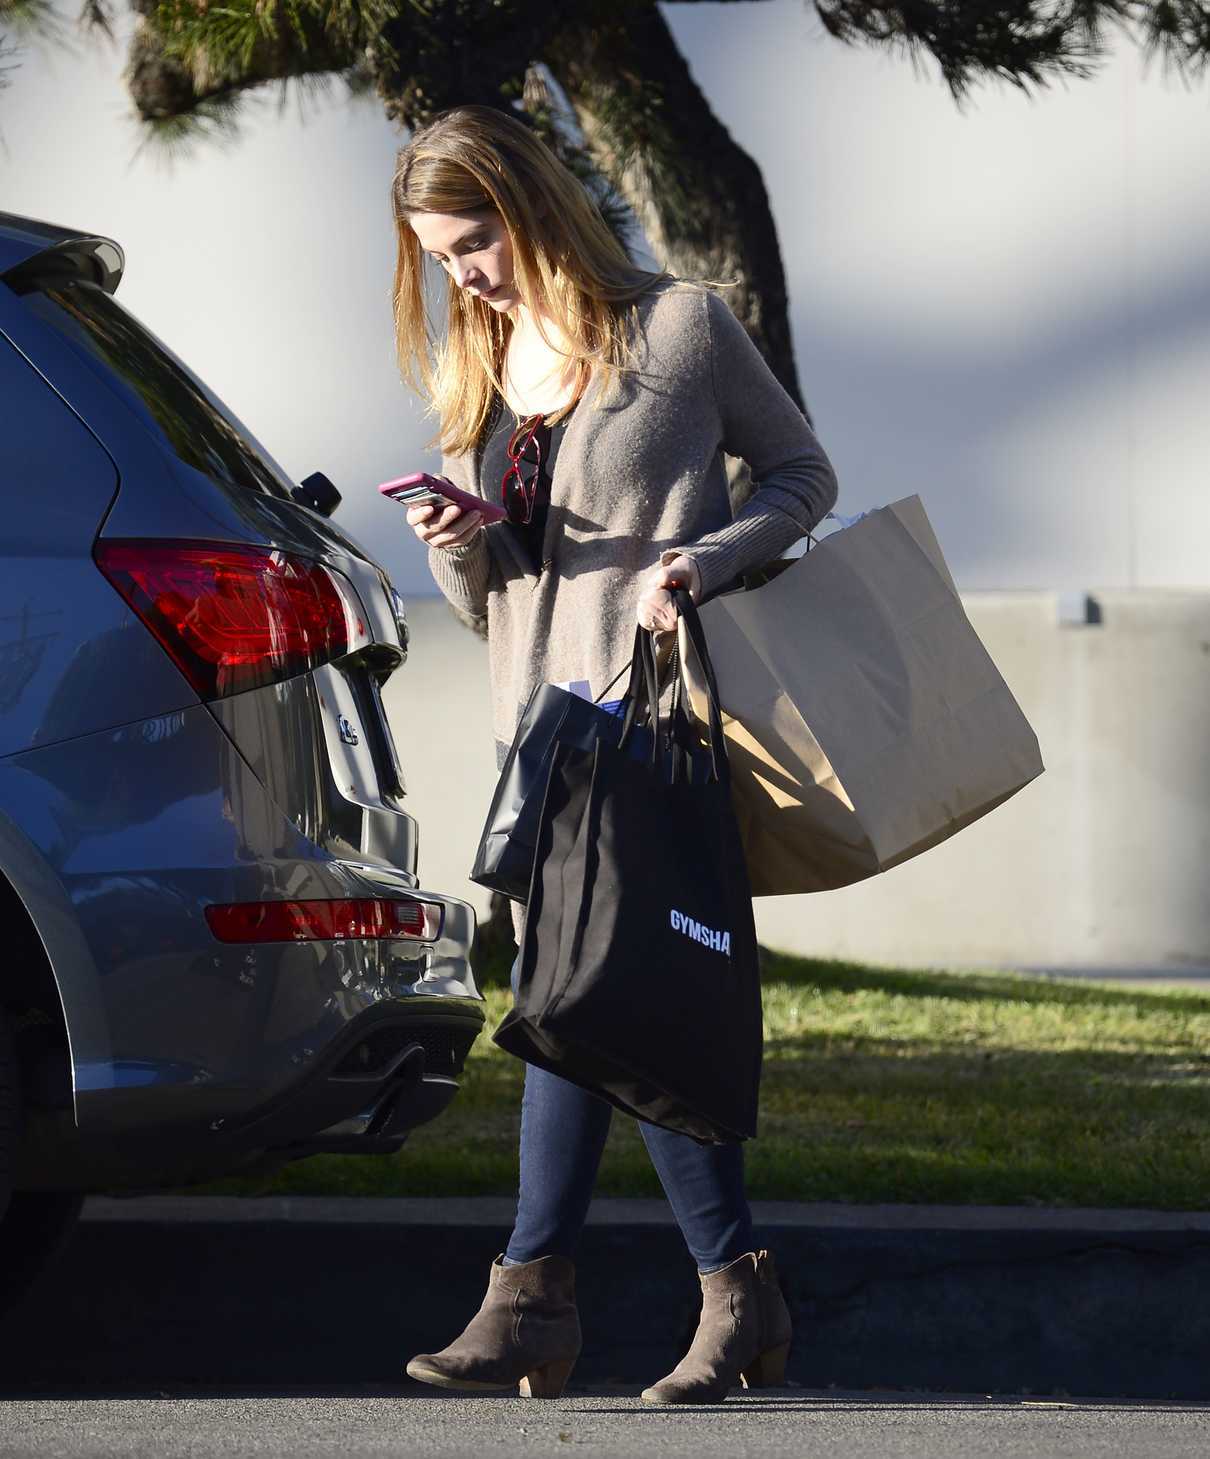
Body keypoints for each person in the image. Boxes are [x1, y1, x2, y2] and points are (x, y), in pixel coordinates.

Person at [390, 105, 838, 1404]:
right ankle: (649, 1296)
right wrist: (452, 537)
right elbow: (491, 604)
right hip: (538, 735)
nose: (464, 273)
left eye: (474, 239)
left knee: (601, 996)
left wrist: (705, 558)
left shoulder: (679, 329)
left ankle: (563, 1292)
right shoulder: (475, 369)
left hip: (650, 721)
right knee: (576, 999)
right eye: (439, 255)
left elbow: (799, 474)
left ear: (531, 203)